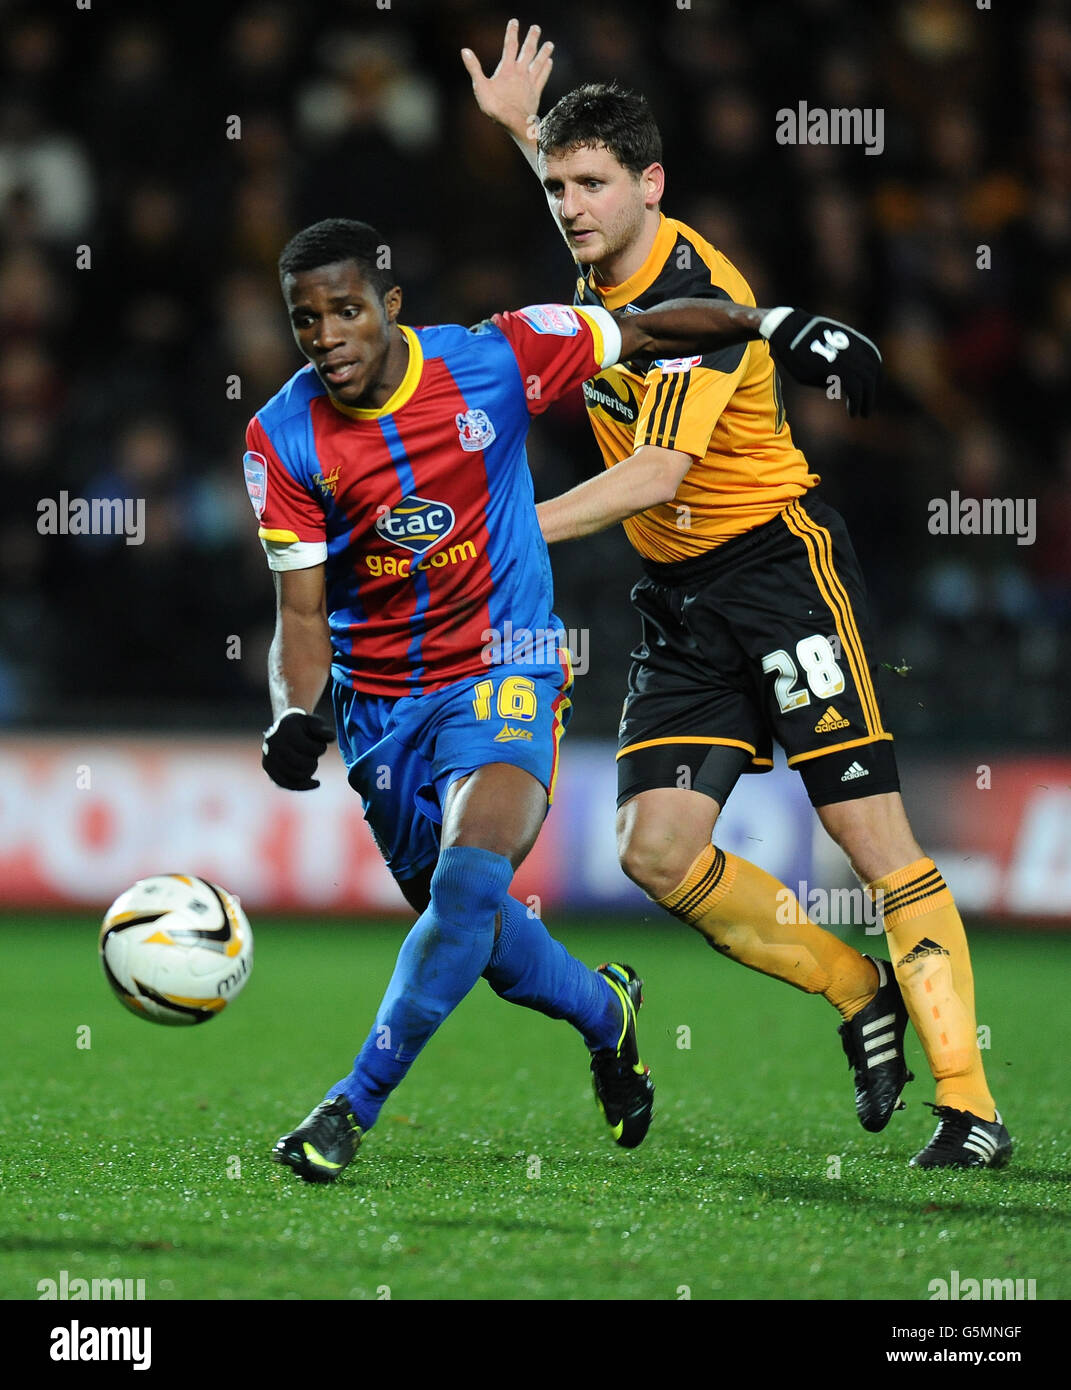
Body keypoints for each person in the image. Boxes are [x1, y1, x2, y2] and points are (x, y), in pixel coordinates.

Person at [461, 20, 1010, 1169]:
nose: (569, 207)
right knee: (654, 851)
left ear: (651, 186)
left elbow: (657, 473)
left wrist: (496, 531)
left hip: (777, 573)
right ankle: (855, 989)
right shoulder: (604, 249)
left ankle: (971, 1103)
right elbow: (580, 197)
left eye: (592, 185)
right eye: (557, 186)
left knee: (876, 843)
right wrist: (526, 131)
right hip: (680, 598)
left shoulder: (699, 293)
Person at [247, 217, 875, 1181]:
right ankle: (605, 1012)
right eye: (306, 322)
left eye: (345, 310)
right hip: (380, 707)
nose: (328, 335)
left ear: (390, 305)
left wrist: (771, 320)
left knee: (466, 886)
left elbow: (650, 328)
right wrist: (294, 712)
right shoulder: (281, 437)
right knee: (478, 935)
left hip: (508, 665)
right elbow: (299, 610)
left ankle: (349, 1108)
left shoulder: (494, 357)